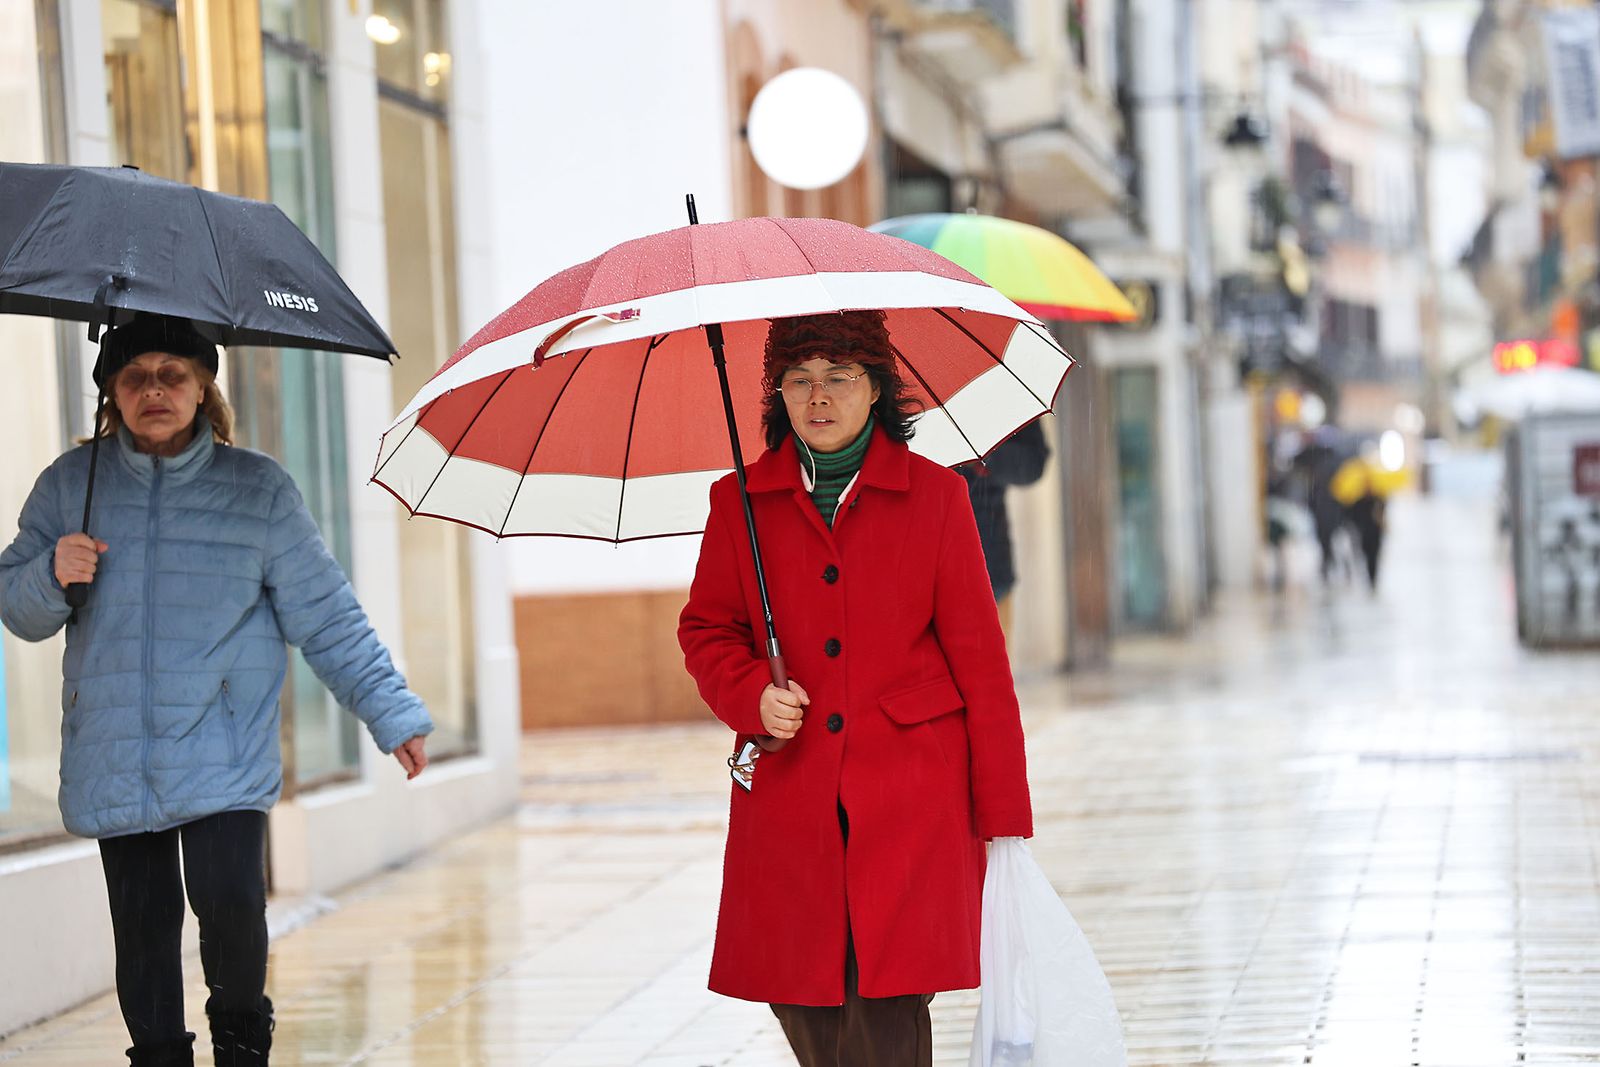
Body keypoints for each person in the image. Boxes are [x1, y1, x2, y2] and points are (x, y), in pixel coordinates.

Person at [0, 315, 433, 1067]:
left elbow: (326, 615)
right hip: (115, 750)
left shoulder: (258, 490)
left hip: (222, 749)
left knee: (231, 907)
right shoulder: (71, 486)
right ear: (111, 390)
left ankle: (241, 1045)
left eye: (173, 373)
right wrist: (50, 574)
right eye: (136, 375)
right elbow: (18, 607)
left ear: (204, 386)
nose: (155, 389)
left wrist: (390, 710)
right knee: (142, 925)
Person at [677, 311, 1034, 1066]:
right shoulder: (737, 502)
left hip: (913, 799)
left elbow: (980, 662)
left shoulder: (937, 497)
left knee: (884, 1009)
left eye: (839, 376)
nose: (819, 396)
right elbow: (707, 630)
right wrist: (751, 695)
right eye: (800, 378)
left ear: (876, 388)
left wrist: (1002, 812)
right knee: (808, 1005)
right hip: (790, 794)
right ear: (777, 392)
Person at [959, 419, 1049, 635]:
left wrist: (980, 450)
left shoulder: (993, 393)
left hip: (989, 565)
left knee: (992, 666)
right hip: (917, 576)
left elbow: (1032, 464)